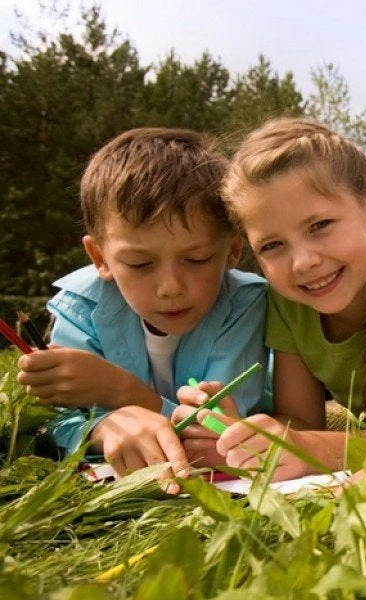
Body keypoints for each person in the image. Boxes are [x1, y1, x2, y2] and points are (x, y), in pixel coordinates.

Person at [177, 118, 366, 474]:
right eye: (273, 246)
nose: (303, 263)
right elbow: (301, 420)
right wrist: (238, 434)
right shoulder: (289, 299)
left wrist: (308, 449)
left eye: (319, 226)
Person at [16, 128, 269, 483]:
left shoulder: (246, 304)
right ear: (99, 257)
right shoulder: (80, 307)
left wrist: (122, 392)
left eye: (196, 259)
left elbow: (215, 428)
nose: (170, 288)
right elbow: (55, 421)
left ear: (232, 251)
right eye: (139, 264)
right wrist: (103, 427)